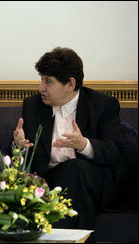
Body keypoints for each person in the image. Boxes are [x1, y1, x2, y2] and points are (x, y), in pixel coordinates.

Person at [11, 47, 136, 232]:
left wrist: (84, 145)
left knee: (75, 169)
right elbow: (21, 154)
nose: (41, 88)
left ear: (70, 84)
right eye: (41, 80)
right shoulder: (33, 105)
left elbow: (118, 149)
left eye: (48, 81)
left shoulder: (102, 104)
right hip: (49, 181)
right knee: (70, 179)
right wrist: (18, 146)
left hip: (92, 178)